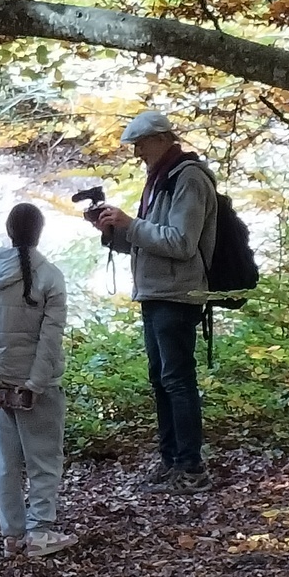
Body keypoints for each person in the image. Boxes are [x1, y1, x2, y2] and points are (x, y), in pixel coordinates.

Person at [96, 110, 218, 494]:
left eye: (141, 145)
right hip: (155, 292)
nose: (137, 154)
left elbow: (181, 243)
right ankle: (171, 461)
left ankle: (191, 467)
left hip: (177, 294)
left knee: (177, 380)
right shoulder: (161, 179)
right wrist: (113, 231)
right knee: (161, 379)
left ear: (163, 139)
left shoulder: (188, 178)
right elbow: (149, 239)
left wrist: (130, 224)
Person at [0, 203, 77, 558]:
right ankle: (40, 531)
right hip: (38, 387)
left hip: (0, 385)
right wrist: (35, 384)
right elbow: (50, 339)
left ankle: (12, 535)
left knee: (5, 463)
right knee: (44, 460)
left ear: (9, 229)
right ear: (40, 231)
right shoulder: (50, 275)